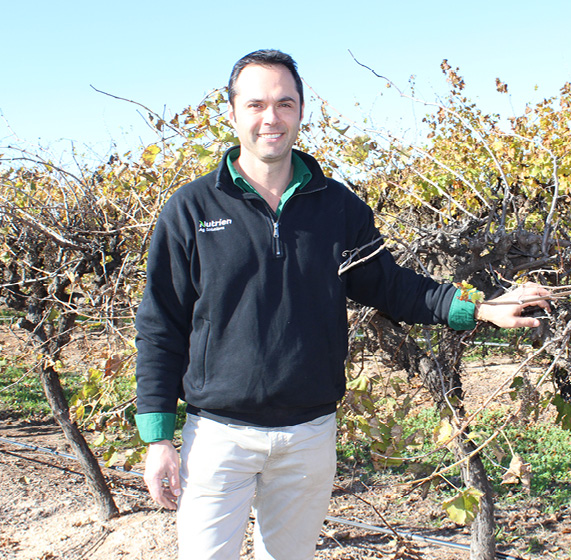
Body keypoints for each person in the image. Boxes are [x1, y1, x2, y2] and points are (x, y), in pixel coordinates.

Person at [134, 49, 549, 560]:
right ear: (233, 113)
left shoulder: (337, 206)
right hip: (217, 436)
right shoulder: (192, 208)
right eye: (257, 104)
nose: (271, 118)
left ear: (302, 111)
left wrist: (479, 308)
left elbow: (391, 286)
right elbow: (160, 324)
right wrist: (158, 437)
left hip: (308, 436)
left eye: (285, 104)